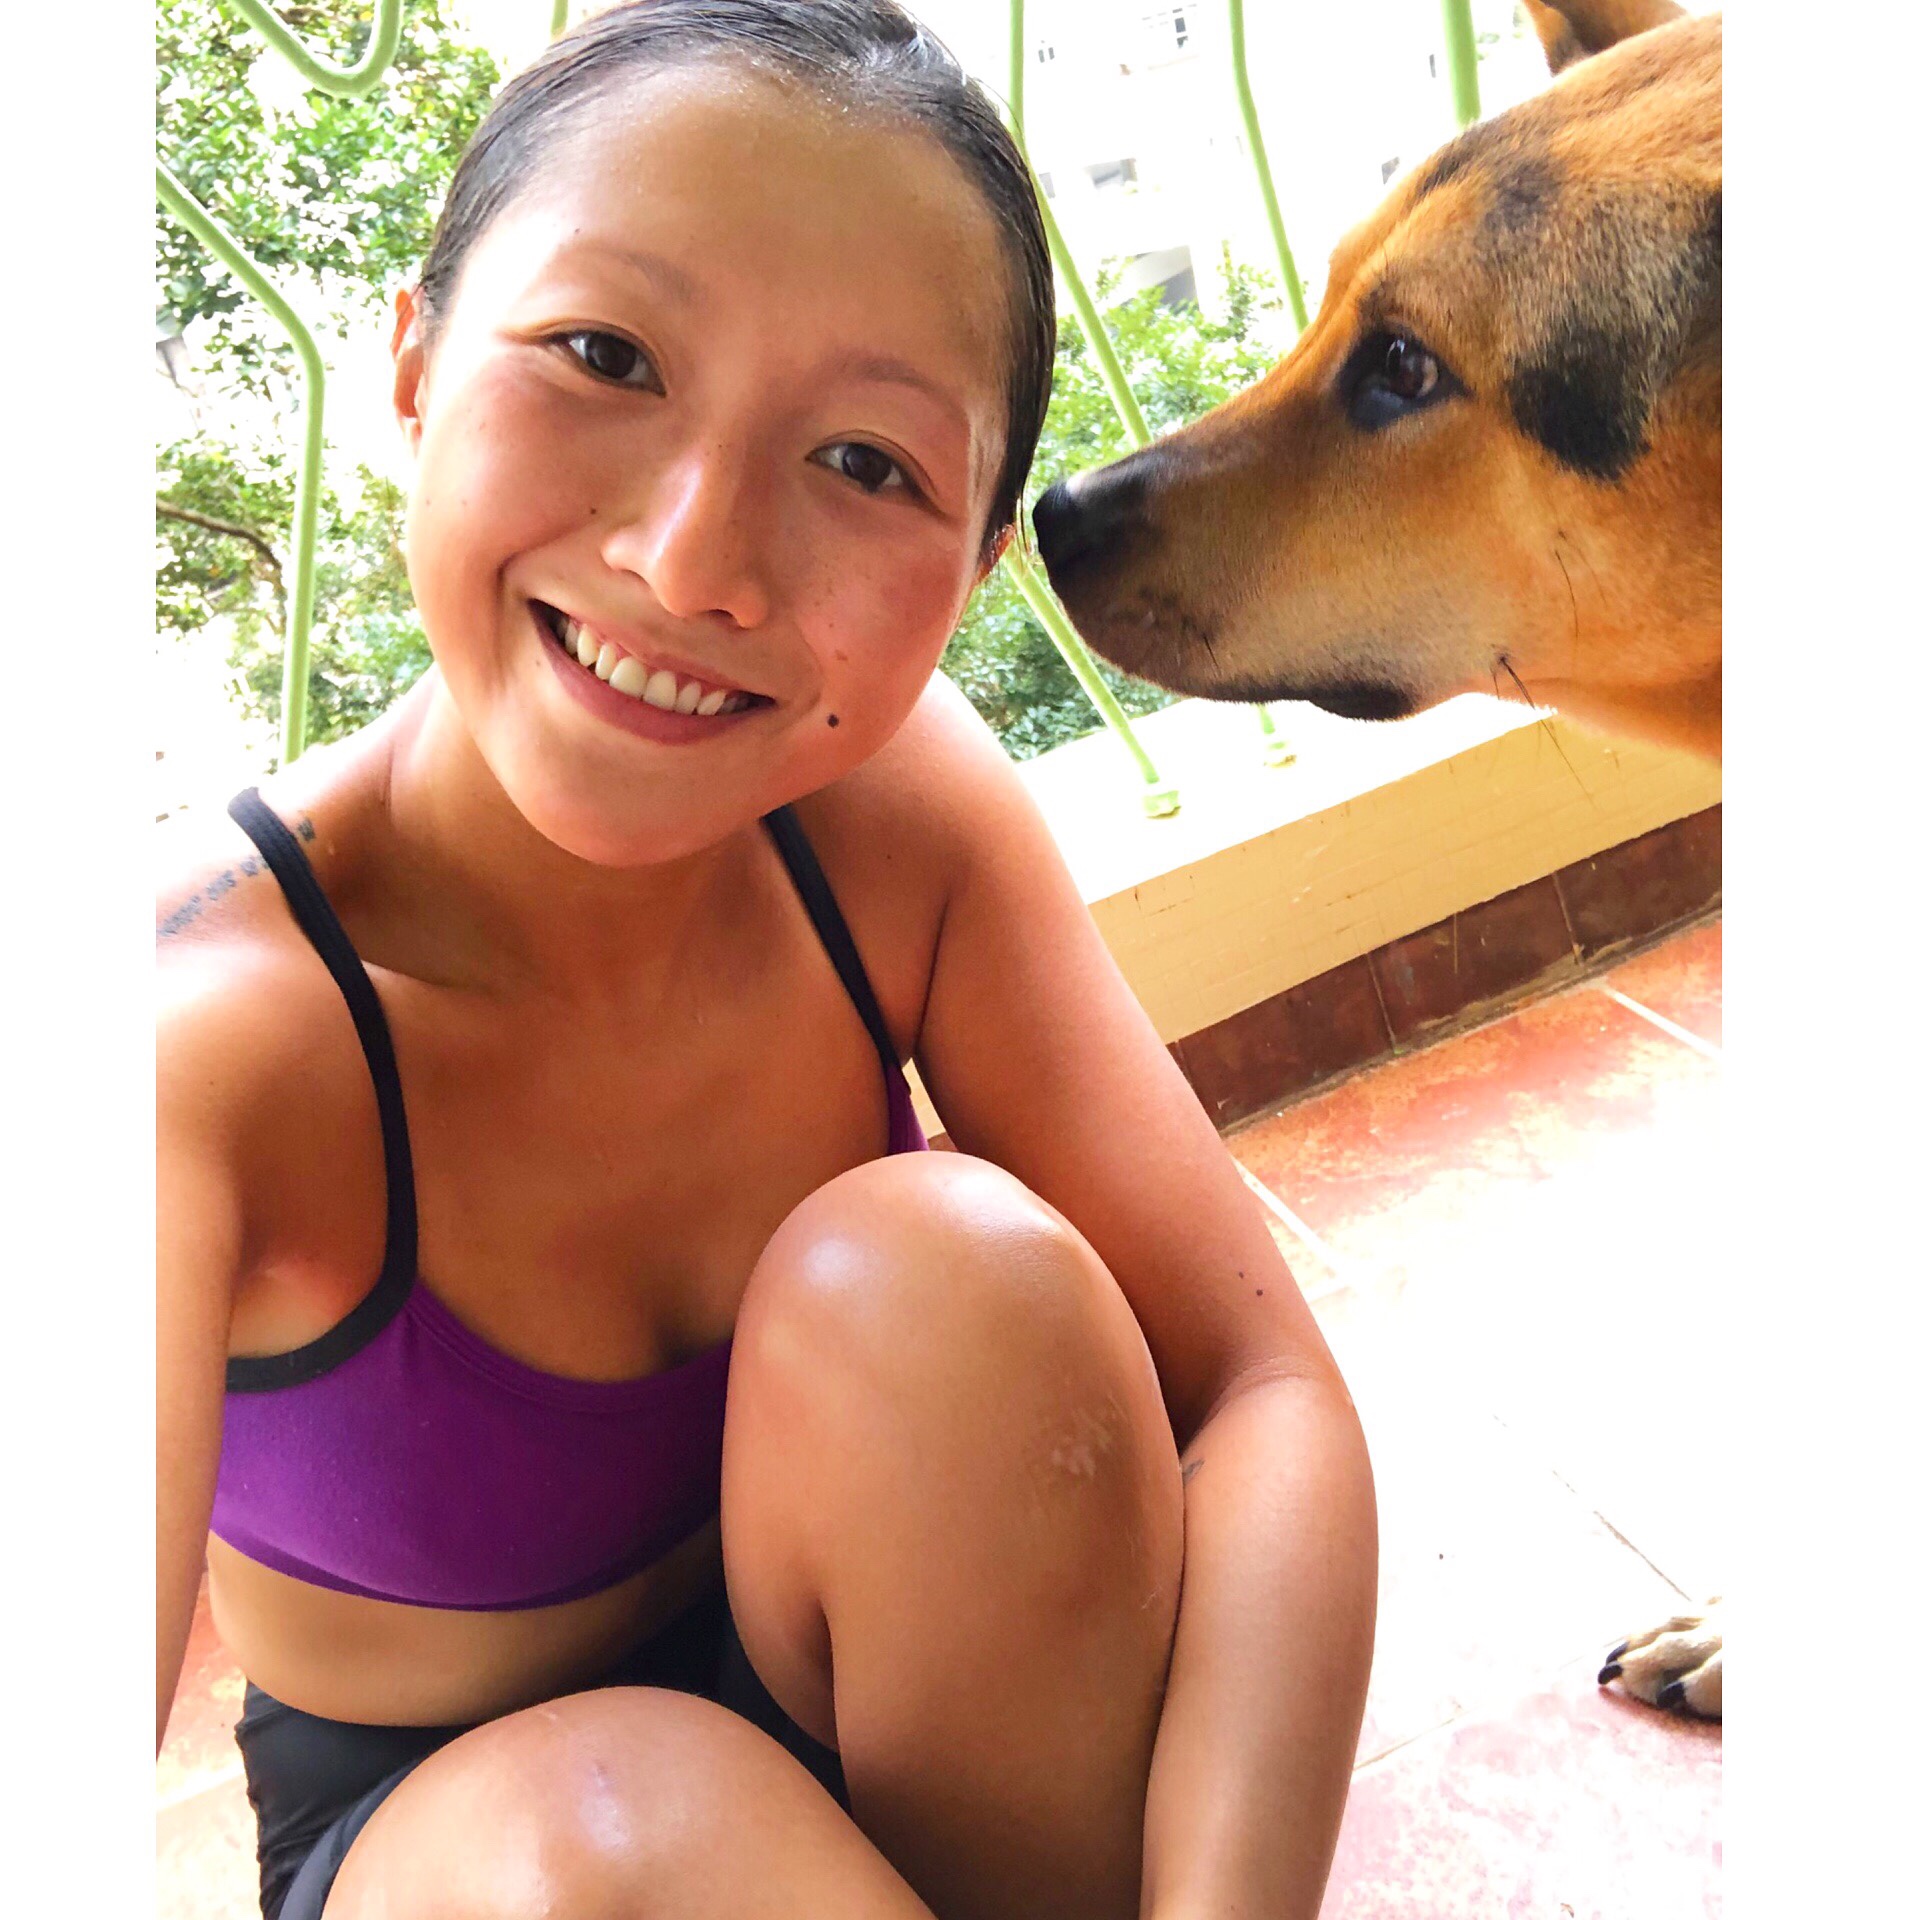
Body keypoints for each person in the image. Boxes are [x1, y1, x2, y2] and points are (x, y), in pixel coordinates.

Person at [156, 5, 1378, 1916]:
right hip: (474, 1845)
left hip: (901, 1719)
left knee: (954, 1279)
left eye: (866, 463)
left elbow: (1263, 1397)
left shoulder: (889, 819)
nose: (698, 559)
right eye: (606, 355)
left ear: (975, 570)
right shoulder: (191, 1041)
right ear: (412, 365)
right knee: (625, 1830)